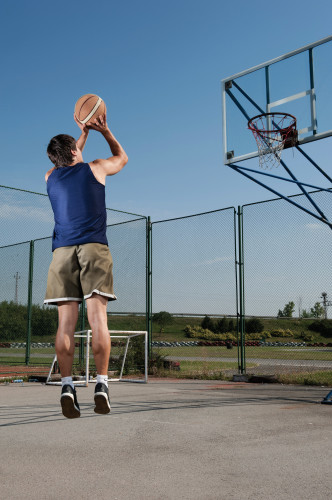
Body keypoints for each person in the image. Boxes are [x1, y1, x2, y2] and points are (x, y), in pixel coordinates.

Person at [44, 111, 128, 418]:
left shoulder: (50, 177)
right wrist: (103, 131)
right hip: (94, 248)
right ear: (77, 152)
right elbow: (122, 158)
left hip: (62, 253)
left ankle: (67, 385)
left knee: (65, 324)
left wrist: (81, 136)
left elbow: (66, 159)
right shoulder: (95, 168)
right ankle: (102, 385)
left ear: (54, 159)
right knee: (98, 320)